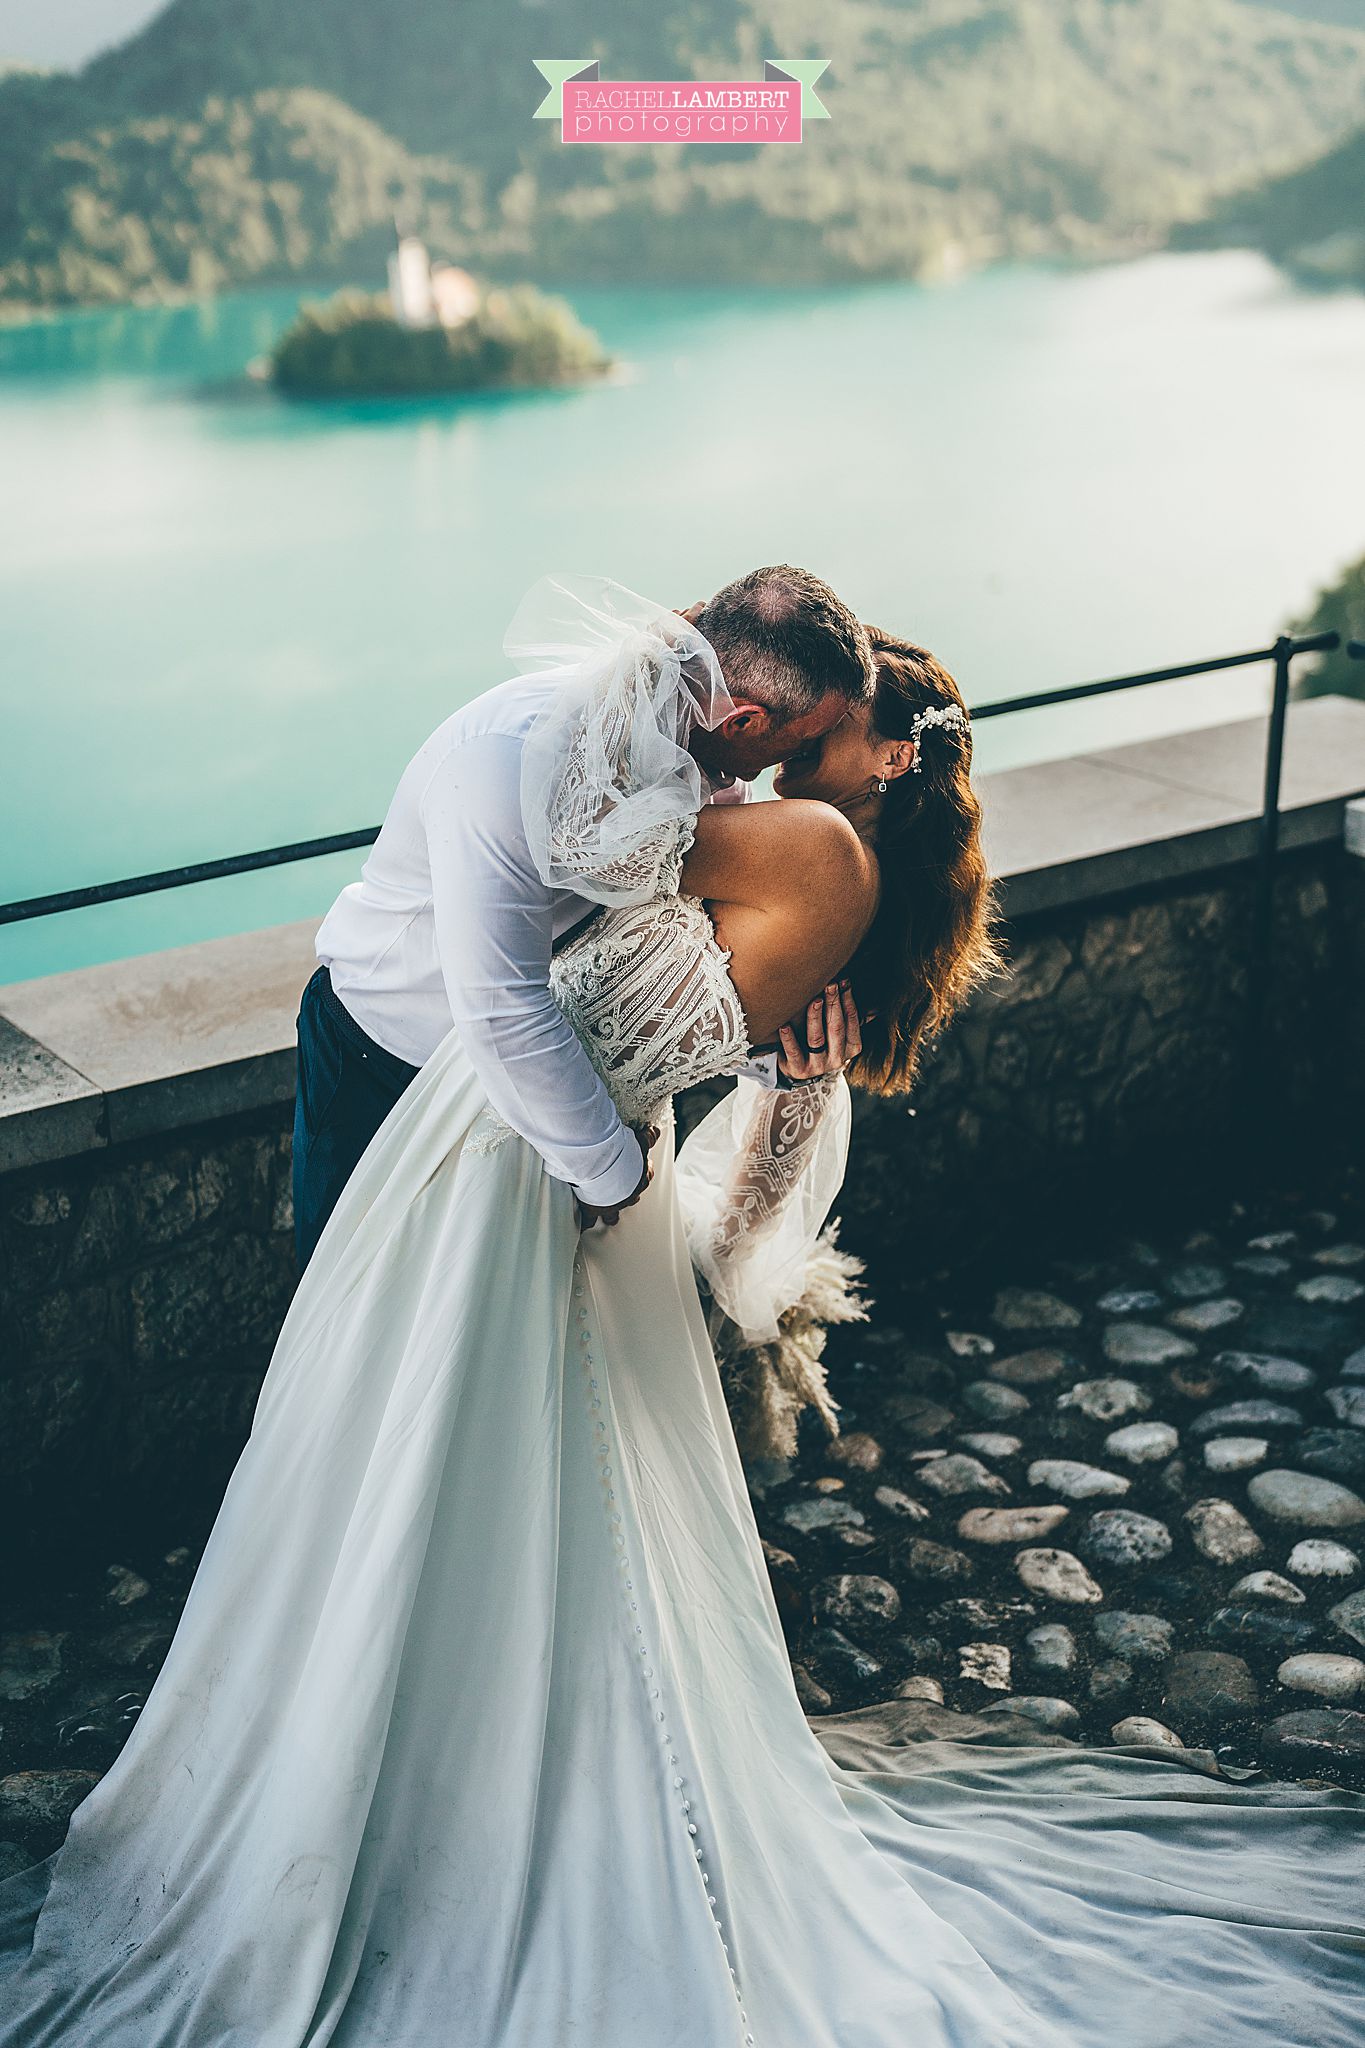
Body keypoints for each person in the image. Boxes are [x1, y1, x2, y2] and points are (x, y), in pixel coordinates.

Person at [2, 585, 1361, 2048]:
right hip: (455, 1094)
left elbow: (526, 993)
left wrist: (598, 1165)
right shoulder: (782, 856)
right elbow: (626, 959)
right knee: (475, 1457)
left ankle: (399, 1764)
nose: (755, 777)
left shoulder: (714, 816)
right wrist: (745, 1082)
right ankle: (468, 1742)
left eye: (794, 751)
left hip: (497, 1145)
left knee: (380, 1431)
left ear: (846, 754)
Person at [292, 565, 874, 1266]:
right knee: (358, 1305)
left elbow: (674, 946)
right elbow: (499, 1003)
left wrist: (774, 1053)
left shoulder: (709, 757)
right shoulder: (505, 761)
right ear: (743, 718)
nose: (791, 768)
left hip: (533, 1091)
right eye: (797, 744)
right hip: (383, 1056)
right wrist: (609, 1169)